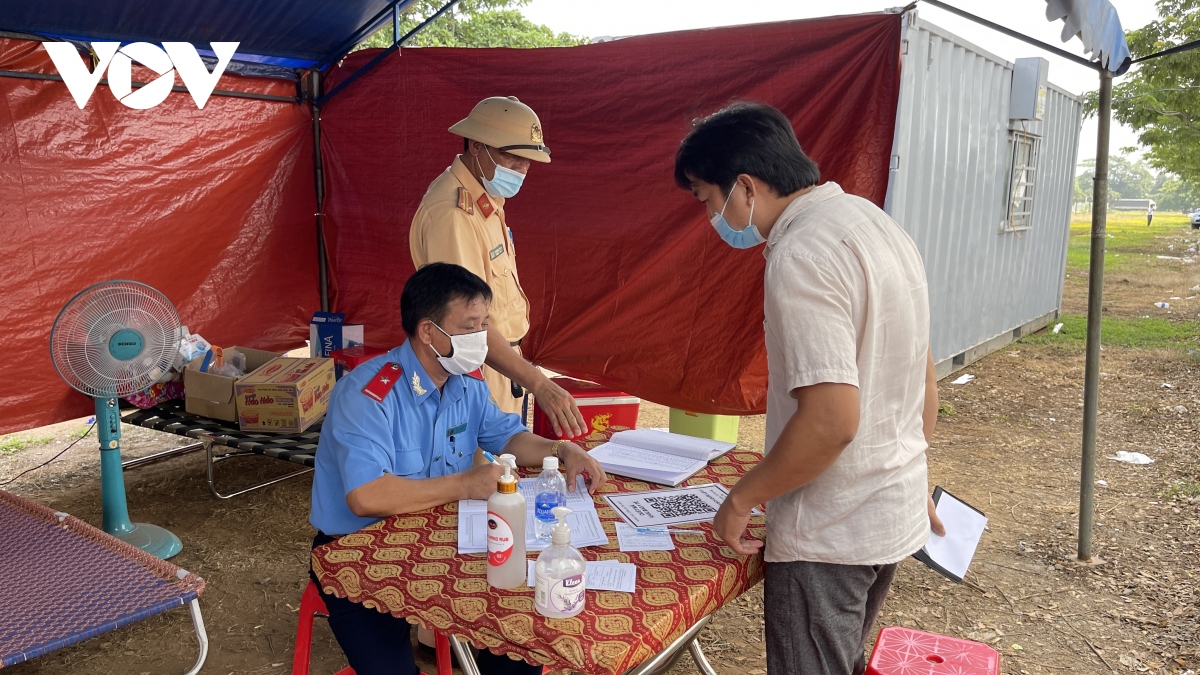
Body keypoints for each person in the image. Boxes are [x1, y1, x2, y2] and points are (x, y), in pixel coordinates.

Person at [673, 102, 945, 675]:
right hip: (888, 507)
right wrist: (910, 472)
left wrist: (742, 498)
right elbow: (920, 370)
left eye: (706, 199)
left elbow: (831, 420)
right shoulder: (876, 223)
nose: (710, 217)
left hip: (832, 528)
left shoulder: (801, 253)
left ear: (744, 187)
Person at [308, 262, 607, 675]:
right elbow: (367, 497)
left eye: (484, 324)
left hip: (441, 539)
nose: (481, 340)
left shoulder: (465, 383)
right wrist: (466, 483)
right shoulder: (368, 394)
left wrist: (560, 450)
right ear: (428, 332)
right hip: (356, 555)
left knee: (520, 640)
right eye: (469, 327)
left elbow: (509, 438)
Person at [410, 96, 586, 439]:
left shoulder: (483, 199)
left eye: (528, 161)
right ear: (477, 146)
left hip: (501, 364)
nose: (521, 169)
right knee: (486, 477)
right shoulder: (454, 213)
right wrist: (539, 384)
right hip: (475, 370)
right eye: (512, 157)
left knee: (504, 473)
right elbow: (466, 323)